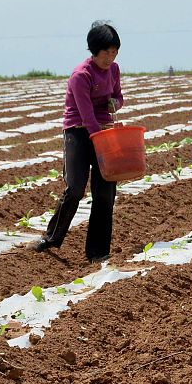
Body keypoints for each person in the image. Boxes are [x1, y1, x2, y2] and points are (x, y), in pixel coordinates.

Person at [34, 22, 124, 263]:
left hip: (103, 130)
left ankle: (98, 252)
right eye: (106, 52)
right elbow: (86, 117)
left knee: (105, 193)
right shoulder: (80, 76)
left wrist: (115, 103)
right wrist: (101, 141)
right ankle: (52, 237)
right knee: (74, 188)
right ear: (94, 50)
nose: (110, 57)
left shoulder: (114, 70)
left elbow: (119, 97)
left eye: (114, 52)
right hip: (79, 132)